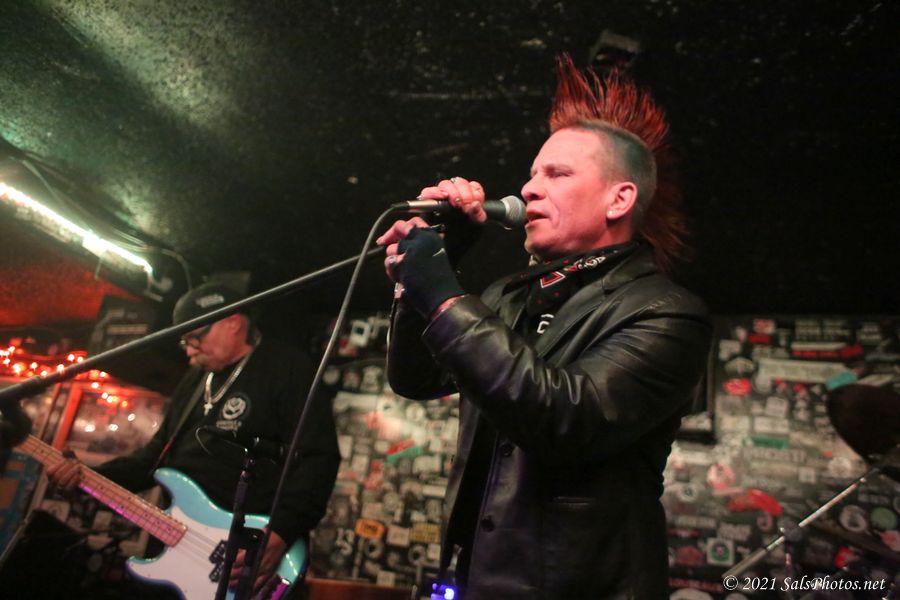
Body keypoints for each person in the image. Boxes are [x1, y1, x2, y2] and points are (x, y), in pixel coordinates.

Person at [376, 56, 712, 599]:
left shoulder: (667, 312)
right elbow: (415, 379)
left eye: (556, 174)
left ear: (619, 198)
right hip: (479, 579)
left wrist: (442, 292)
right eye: (533, 174)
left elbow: (564, 418)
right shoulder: (509, 295)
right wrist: (438, 268)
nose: (529, 189)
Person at [47, 281, 341, 595]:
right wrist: (87, 475)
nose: (189, 350)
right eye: (184, 341)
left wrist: (280, 531)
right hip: (182, 550)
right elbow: (154, 458)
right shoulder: (194, 382)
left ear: (232, 322)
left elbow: (318, 457)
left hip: (247, 552)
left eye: (195, 338)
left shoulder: (286, 368)